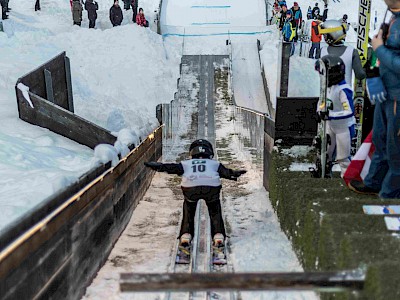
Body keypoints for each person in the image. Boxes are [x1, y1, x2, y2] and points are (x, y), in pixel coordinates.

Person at [144, 139, 246, 262]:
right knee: (215, 211)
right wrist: (236, 173)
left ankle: (185, 238)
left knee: (189, 209)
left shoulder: (186, 164)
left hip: (190, 187)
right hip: (211, 188)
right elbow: (227, 173)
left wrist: (157, 166)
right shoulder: (214, 164)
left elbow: (171, 167)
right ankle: (218, 238)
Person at [349, 0, 400, 199]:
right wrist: (374, 74)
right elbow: (383, 57)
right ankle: (374, 182)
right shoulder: (393, 16)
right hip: (385, 92)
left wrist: (378, 48)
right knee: (381, 140)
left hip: (397, 97)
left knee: (395, 147)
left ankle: (390, 193)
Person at [315, 55, 355, 178]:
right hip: (330, 126)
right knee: (325, 153)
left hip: (344, 128)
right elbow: (322, 101)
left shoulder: (344, 89)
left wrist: (330, 115)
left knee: (343, 157)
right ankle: (325, 173)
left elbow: (349, 111)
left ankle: (348, 178)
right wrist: (319, 111)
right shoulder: (327, 88)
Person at [319, 19, 366, 86]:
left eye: (325, 35)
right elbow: (360, 75)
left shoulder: (322, 51)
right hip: (345, 93)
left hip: (325, 94)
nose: (324, 38)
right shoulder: (352, 52)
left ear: (332, 35)